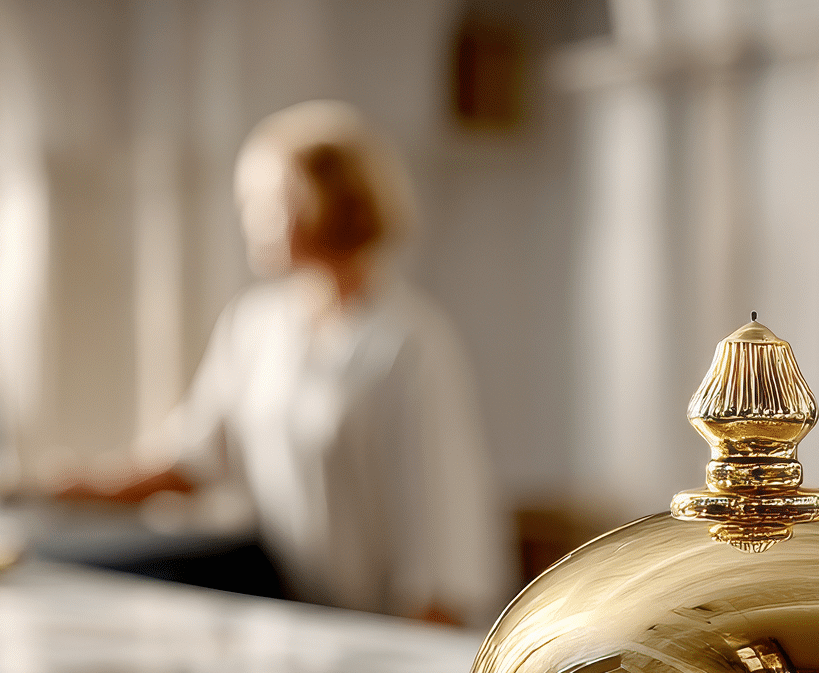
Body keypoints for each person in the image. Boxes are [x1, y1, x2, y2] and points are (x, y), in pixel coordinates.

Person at [72, 100, 512, 626]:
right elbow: (191, 458)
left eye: (263, 199)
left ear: (323, 201)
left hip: (375, 629)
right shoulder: (255, 325)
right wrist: (65, 487)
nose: (248, 218)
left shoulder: (405, 345)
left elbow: (443, 546)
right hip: (288, 621)